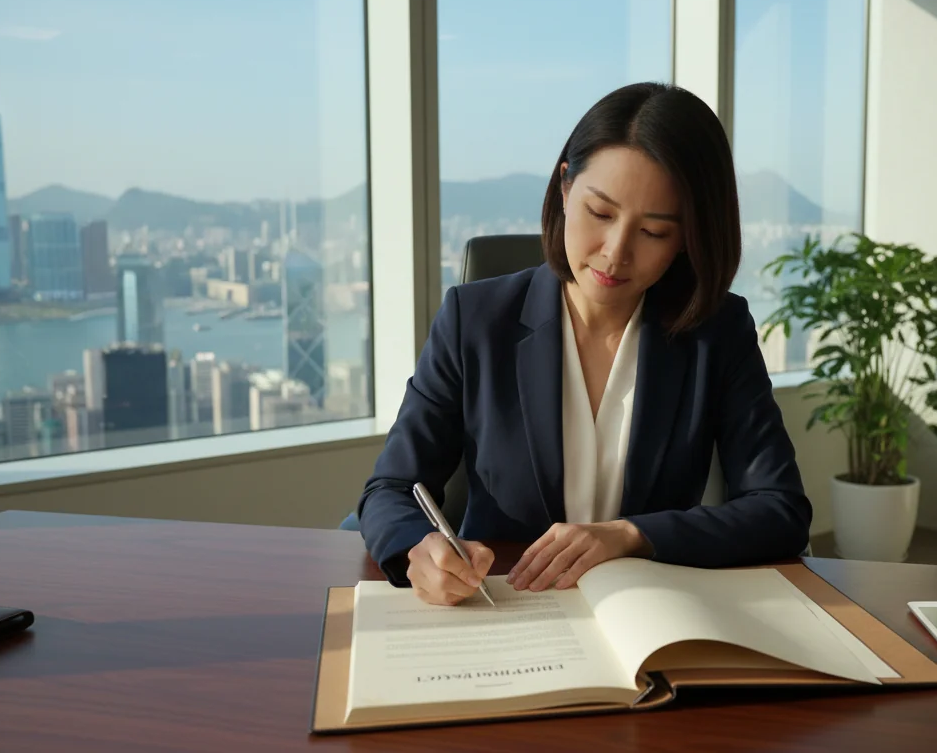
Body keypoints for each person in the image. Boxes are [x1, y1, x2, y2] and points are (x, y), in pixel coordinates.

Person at [346, 81, 812, 606]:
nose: (615, 254)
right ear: (565, 188)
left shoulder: (717, 331)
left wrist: (633, 534)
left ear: (689, 237)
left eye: (654, 232)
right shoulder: (473, 320)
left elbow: (780, 509)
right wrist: (420, 549)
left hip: (650, 609)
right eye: (601, 214)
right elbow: (389, 490)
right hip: (503, 606)